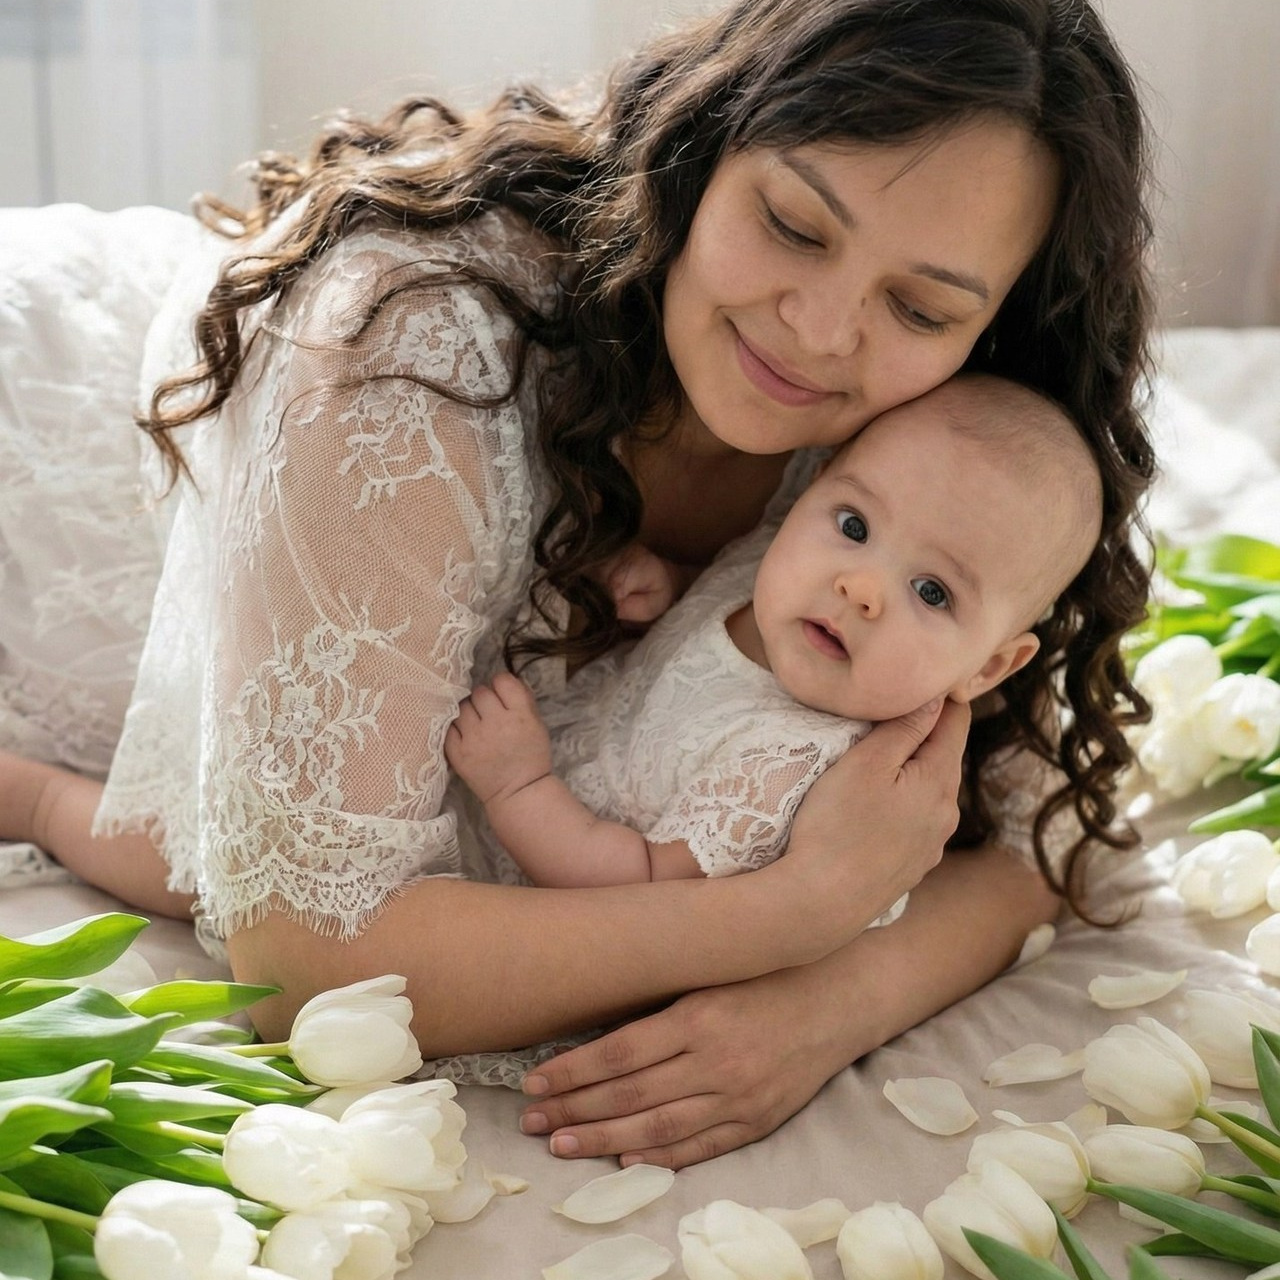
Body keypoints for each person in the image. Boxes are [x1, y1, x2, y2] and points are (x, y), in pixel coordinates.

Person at [0, 0, 1156, 1171]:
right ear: (708, 148)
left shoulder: (936, 448)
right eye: (792, 225)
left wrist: (827, 1003)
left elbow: (1042, 833)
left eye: (919, 306)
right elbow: (303, 961)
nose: (818, 330)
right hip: (65, 452)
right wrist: (791, 915)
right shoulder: (409, 355)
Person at [447, 375, 1101, 891]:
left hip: (547, 870)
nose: (860, 587)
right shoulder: (780, 568)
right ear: (812, 492)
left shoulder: (799, 768)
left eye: (932, 591)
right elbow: (719, 599)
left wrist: (520, 788)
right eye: (854, 526)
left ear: (985, 668)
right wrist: (670, 586)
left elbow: (639, 886)